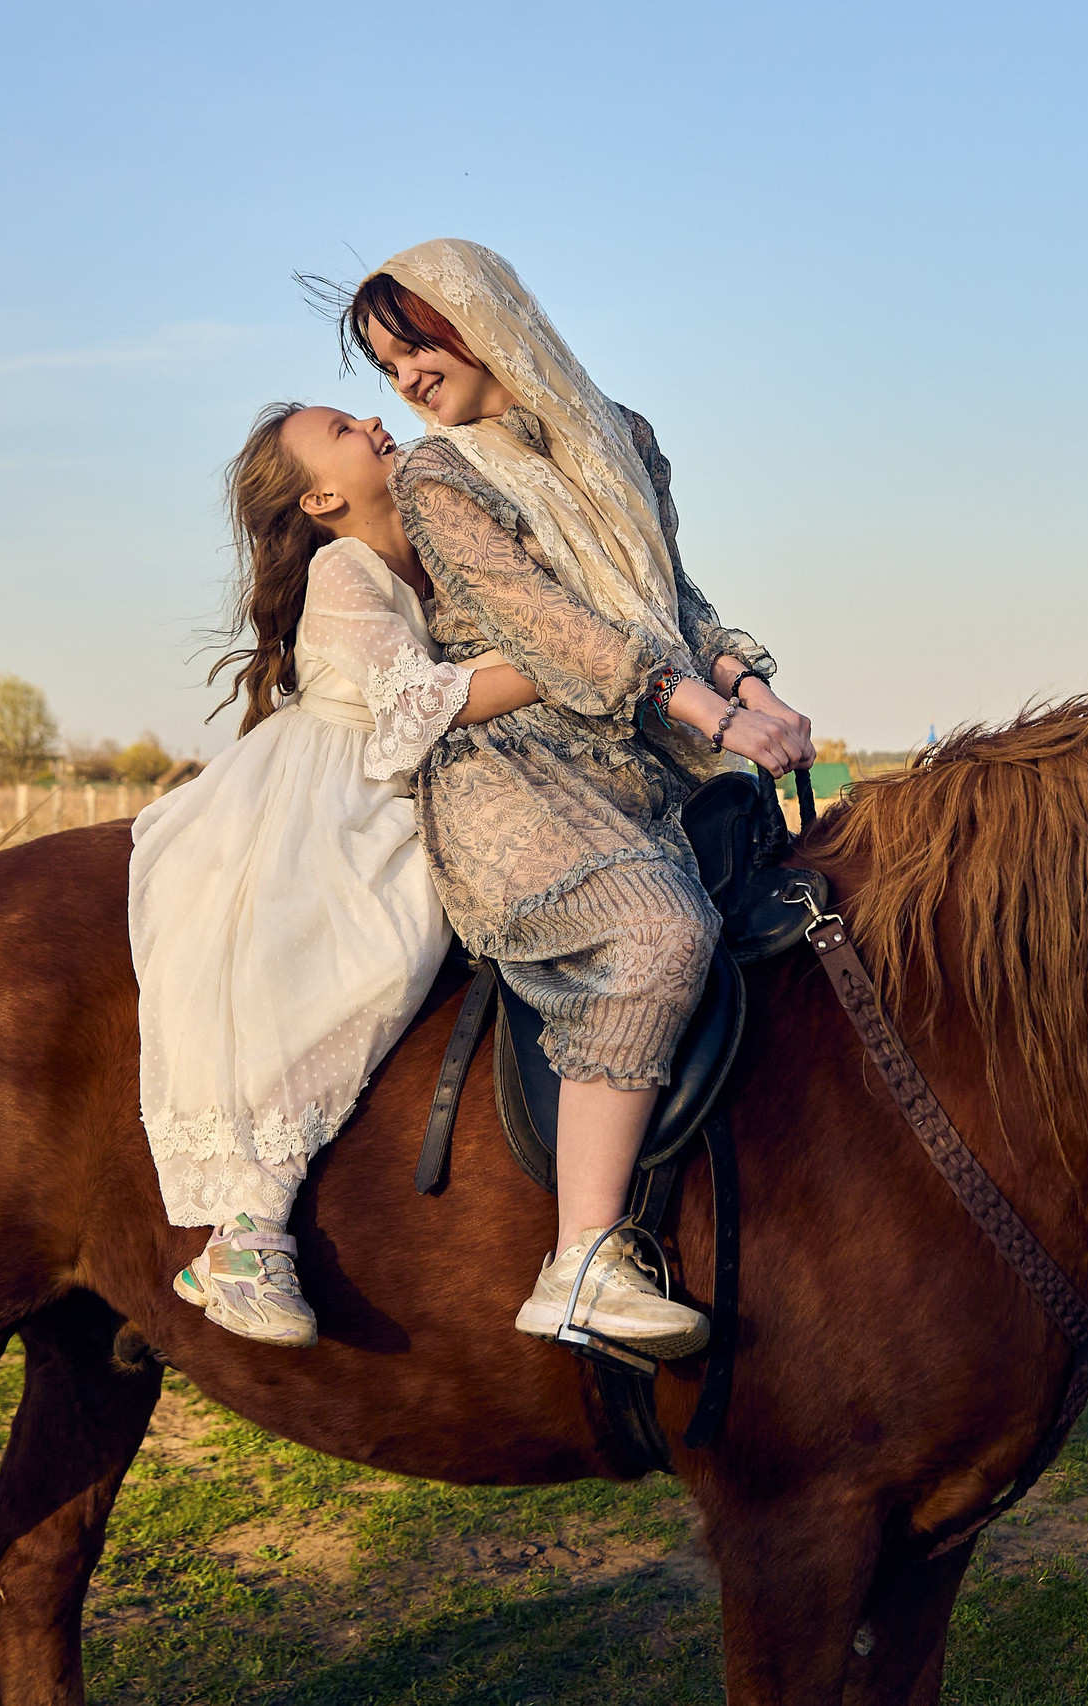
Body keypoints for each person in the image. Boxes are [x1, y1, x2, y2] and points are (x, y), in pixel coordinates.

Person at [331, 239, 815, 1359]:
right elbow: (554, 628)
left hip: (649, 748)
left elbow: (669, 598)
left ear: (482, 319)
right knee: (657, 932)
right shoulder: (437, 477)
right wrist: (714, 717)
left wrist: (753, 689)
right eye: (386, 365)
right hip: (517, 763)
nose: (405, 379)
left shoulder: (624, 438)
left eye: (415, 346)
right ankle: (583, 1261)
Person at [129, 401, 542, 1346]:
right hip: (329, 789)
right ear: (319, 499)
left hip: (389, 777)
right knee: (363, 957)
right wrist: (573, 662)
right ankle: (245, 1227)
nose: (373, 419)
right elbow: (421, 699)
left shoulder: (423, 557)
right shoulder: (343, 568)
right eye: (343, 430)